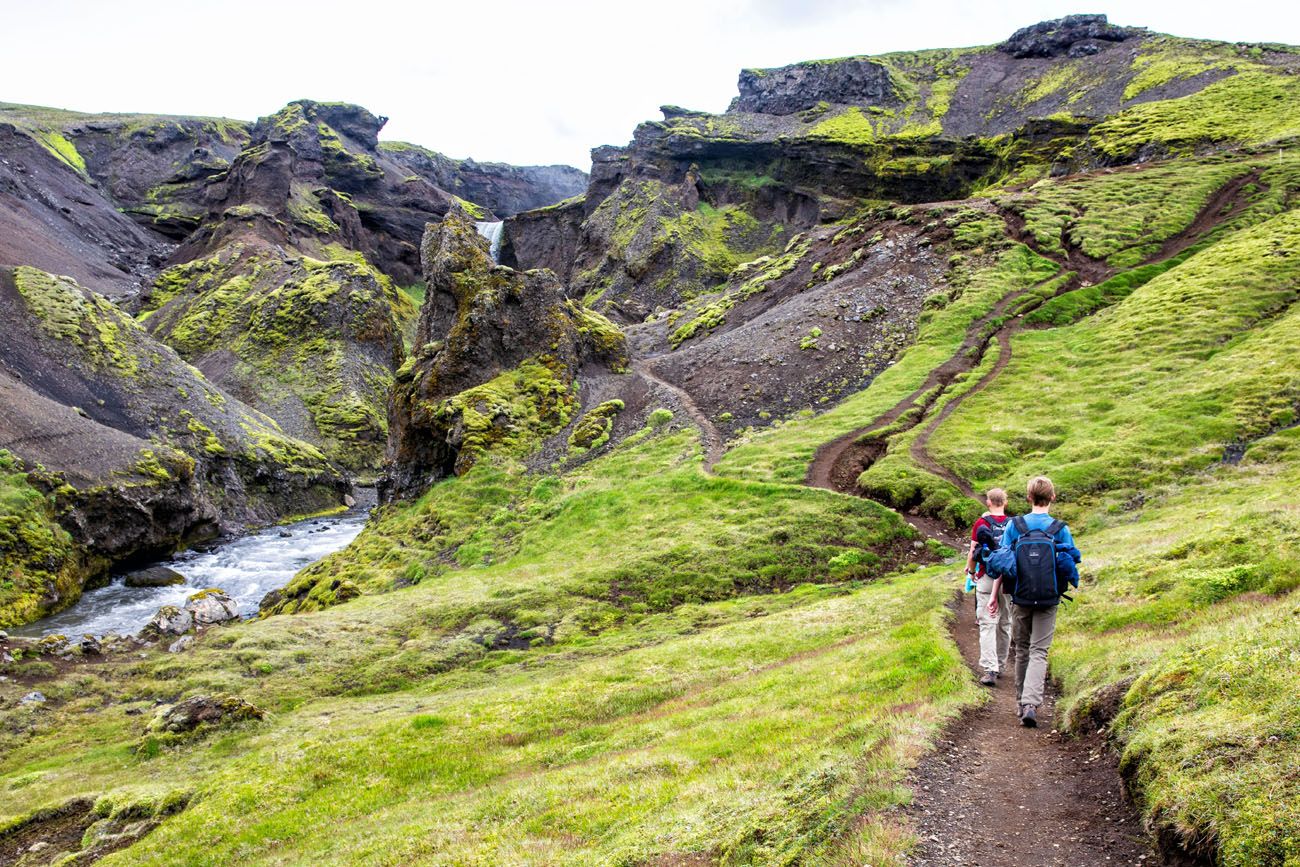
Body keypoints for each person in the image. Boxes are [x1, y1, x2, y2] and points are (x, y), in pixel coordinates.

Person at [988, 476, 1077, 728]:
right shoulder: (1060, 528)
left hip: (1021, 597)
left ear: (1028, 498)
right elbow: (1069, 564)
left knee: (1023, 649)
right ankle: (1031, 703)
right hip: (1049, 598)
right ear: (1053, 497)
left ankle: (1020, 702)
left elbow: (1003, 562)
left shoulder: (1015, 525)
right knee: (1040, 650)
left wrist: (994, 595)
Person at [965, 488, 1011, 687]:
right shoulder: (1013, 524)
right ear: (1005, 503)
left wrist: (971, 572)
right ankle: (1000, 664)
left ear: (988, 502)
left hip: (987, 577)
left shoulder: (981, 523)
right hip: (1008, 580)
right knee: (1006, 623)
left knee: (987, 623)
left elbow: (973, 550)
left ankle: (990, 668)